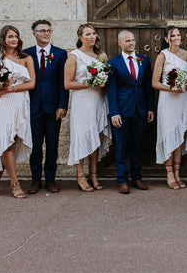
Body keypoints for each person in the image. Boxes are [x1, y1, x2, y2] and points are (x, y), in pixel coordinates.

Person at [0, 26, 35, 198]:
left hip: (19, 103)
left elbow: (31, 84)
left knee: (11, 143)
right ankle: (15, 184)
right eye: (10, 36)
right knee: (6, 143)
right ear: (3, 39)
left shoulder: (26, 58)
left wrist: (9, 88)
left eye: (16, 36)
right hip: (2, 105)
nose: (14, 39)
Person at [64, 24, 112, 192]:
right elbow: (67, 83)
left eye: (93, 33)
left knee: (95, 136)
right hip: (82, 100)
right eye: (88, 34)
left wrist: (103, 82)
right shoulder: (74, 56)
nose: (92, 36)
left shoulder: (101, 55)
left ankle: (93, 174)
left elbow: (107, 77)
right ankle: (80, 176)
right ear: (80, 37)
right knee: (81, 137)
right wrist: (88, 83)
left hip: (98, 100)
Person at [24, 20, 69, 194]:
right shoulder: (25, 54)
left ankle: (50, 179)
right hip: (33, 107)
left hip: (53, 108)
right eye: (42, 31)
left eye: (48, 30)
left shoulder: (59, 54)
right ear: (34, 33)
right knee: (35, 145)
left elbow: (62, 83)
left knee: (52, 144)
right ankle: (35, 180)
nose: (46, 33)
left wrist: (62, 105)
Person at [107, 30, 155, 194]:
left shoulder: (144, 60)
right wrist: (114, 112)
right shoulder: (113, 63)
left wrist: (150, 108)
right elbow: (111, 90)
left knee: (138, 145)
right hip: (122, 111)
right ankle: (122, 180)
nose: (131, 43)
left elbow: (148, 86)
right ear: (120, 43)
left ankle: (137, 177)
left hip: (140, 110)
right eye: (127, 41)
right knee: (121, 146)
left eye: (133, 40)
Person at [152, 26, 187, 189]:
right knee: (169, 133)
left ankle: (177, 172)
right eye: (173, 35)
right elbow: (154, 82)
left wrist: (185, 85)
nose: (177, 38)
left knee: (179, 133)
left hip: (183, 98)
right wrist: (172, 88)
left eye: (178, 35)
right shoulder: (162, 56)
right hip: (168, 99)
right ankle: (169, 172)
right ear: (166, 39)